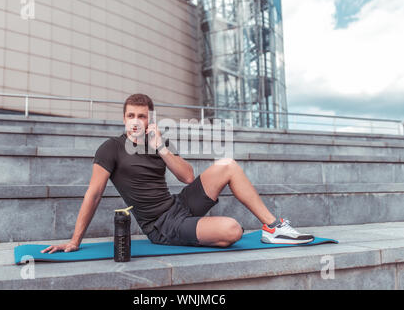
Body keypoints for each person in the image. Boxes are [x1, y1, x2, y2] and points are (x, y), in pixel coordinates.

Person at [42, 94, 313, 254]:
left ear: (150, 119)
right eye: (131, 115)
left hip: (179, 204)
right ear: (124, 119)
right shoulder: (110, 148)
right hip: (161, 225)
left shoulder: (160, 143)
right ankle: (201, 233)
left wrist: (160, 147)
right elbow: (94, 192)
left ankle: (272, 227)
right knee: (232, 230)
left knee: (228, 164)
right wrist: (75, 240)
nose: (136, 121)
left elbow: (187, 176)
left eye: (142, 116)